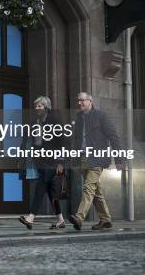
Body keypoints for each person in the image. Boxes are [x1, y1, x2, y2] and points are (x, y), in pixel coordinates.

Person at [68, 92, 124, 231]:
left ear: (90, 101)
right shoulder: (79, 118)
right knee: (95, 190)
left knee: (88, 187)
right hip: (83, 158)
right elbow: (76, 141)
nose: (80, 103)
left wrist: (119, 159)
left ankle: (79, 217)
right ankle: (105, 219)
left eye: (82, 100)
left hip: (98, 158)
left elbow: (114, 137)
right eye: (78, 101)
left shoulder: (101, 116)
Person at [18, 96, 67, 230]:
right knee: (51, 191)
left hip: (52, 160)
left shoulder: (55, 121)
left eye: (39, 106)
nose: (37, 108)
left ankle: (31, 217)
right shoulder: (35, 121)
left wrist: (61, 161)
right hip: (40, 160)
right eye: (36, 106)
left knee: (40, 187)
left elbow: (62, 142)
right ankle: (60, 219)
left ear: (46, 107)